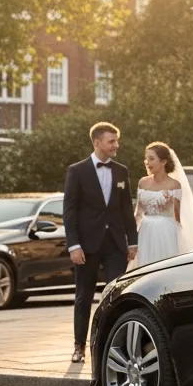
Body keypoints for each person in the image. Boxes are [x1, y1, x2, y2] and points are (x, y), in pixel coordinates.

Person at [63, 122, 137, 364]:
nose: (116, 145)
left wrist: (132, 241)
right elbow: (70, 211)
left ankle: (114, 347)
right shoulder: (77, 171)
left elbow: (127, 208)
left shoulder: (121, 171)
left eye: (116, 140)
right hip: (86, 245)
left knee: (116, 296)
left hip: (115, 244)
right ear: (97, 143)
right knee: (84, 296)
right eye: (111, 141)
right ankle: (78, 346)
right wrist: (74, 245)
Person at [133, 142, 193, 268]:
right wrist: (132, 238)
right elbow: (138, 212)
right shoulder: (143, 183)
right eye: (146, 159)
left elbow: (177, 215)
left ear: (163, 162)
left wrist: (180, 239)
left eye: (151, 159)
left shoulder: (174, 185)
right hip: (146, 231)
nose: (147, 162)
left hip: (166, 231)